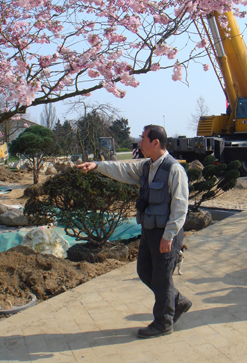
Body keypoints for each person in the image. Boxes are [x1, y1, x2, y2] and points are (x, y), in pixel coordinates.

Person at [77, 124, 192, 338]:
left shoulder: (174, 170)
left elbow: (180, 206)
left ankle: (163, 322)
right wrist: (97, 165)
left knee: (162, 279)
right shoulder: (147, 167)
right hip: (149, 230)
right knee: (145, 271)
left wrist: (169, 236)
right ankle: (179, 301)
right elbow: (123, 169)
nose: (140, 143)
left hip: (166, 234)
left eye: (143, 139)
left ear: (155, 142)